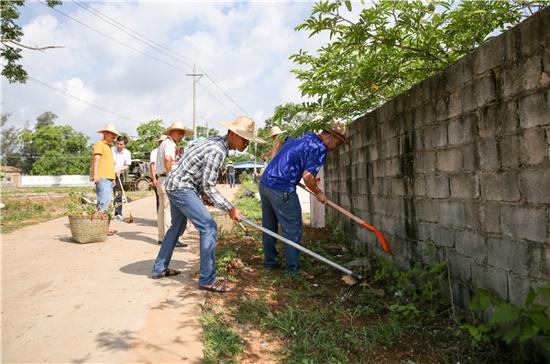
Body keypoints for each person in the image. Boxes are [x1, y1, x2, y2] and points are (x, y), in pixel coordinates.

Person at [149, 115, 264, 293]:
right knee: (208, 227)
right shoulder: (217, 150)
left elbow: (202, 178)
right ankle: (208, 279)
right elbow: (209, 186)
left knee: (176, 227)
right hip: (181, 186)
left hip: (176, 184)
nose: (246, 143)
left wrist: (203, 194)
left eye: (248, 140)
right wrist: (230, 208)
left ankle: (159, 268)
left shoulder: (217, 143)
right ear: (232, 134)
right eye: (244, 139)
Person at [259, 120, 350, 276]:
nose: (336, 148)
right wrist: (319, 193)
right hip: (282, 188)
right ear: (331, 137)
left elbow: (279, 138)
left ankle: (270, 262)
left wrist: (274, 160)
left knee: (269, 226)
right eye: (338, 143)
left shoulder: (303, 133)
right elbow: (308, 177)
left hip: (265, 183)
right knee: (292, 230)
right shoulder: (319, 149)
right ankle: (292, 271)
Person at [156, 122, 192, 247]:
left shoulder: (164, 144)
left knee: (162, 209)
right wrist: (171, 176)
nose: (181, 135)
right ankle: (169, 239)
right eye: (178, 132)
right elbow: (167, 159)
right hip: (166, 179)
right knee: (168, 211)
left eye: (182, 133)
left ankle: (162, 236)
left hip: (160, 178)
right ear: (171, 132)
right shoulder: (170, 144)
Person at [90, 123, 119, 235]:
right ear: (105, 133)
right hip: (102, 177)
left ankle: (102, 228)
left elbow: (109, 164)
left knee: (106, 203)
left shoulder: (109, 147)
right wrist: (96, 175)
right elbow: (96, 160)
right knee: (104, 203)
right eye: (111, 134)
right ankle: (99, 228)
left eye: (114, 135)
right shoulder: (99, 144)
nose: (113, 137)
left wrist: (113, 178)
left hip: (108, 178)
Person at [112, 135, 131, 220]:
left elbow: (126, 165)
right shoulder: (111, 150)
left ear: (125, 145)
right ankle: (107, 213)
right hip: (109, 175)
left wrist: (120, 170)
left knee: (118, 195)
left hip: (119, 175)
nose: (119, 146)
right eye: (118, 144)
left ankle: (118, 213)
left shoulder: (127, 153)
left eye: (121, 144)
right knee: (108, 194)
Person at [150, 134, 167, 212]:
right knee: (159, 198)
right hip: (158, 176)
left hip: (166, 176)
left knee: (167, 199)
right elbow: (152, 165)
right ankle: (159, 217)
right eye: (161, 142)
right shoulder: (154, 151)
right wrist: (154, 178)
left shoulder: (166, 151)